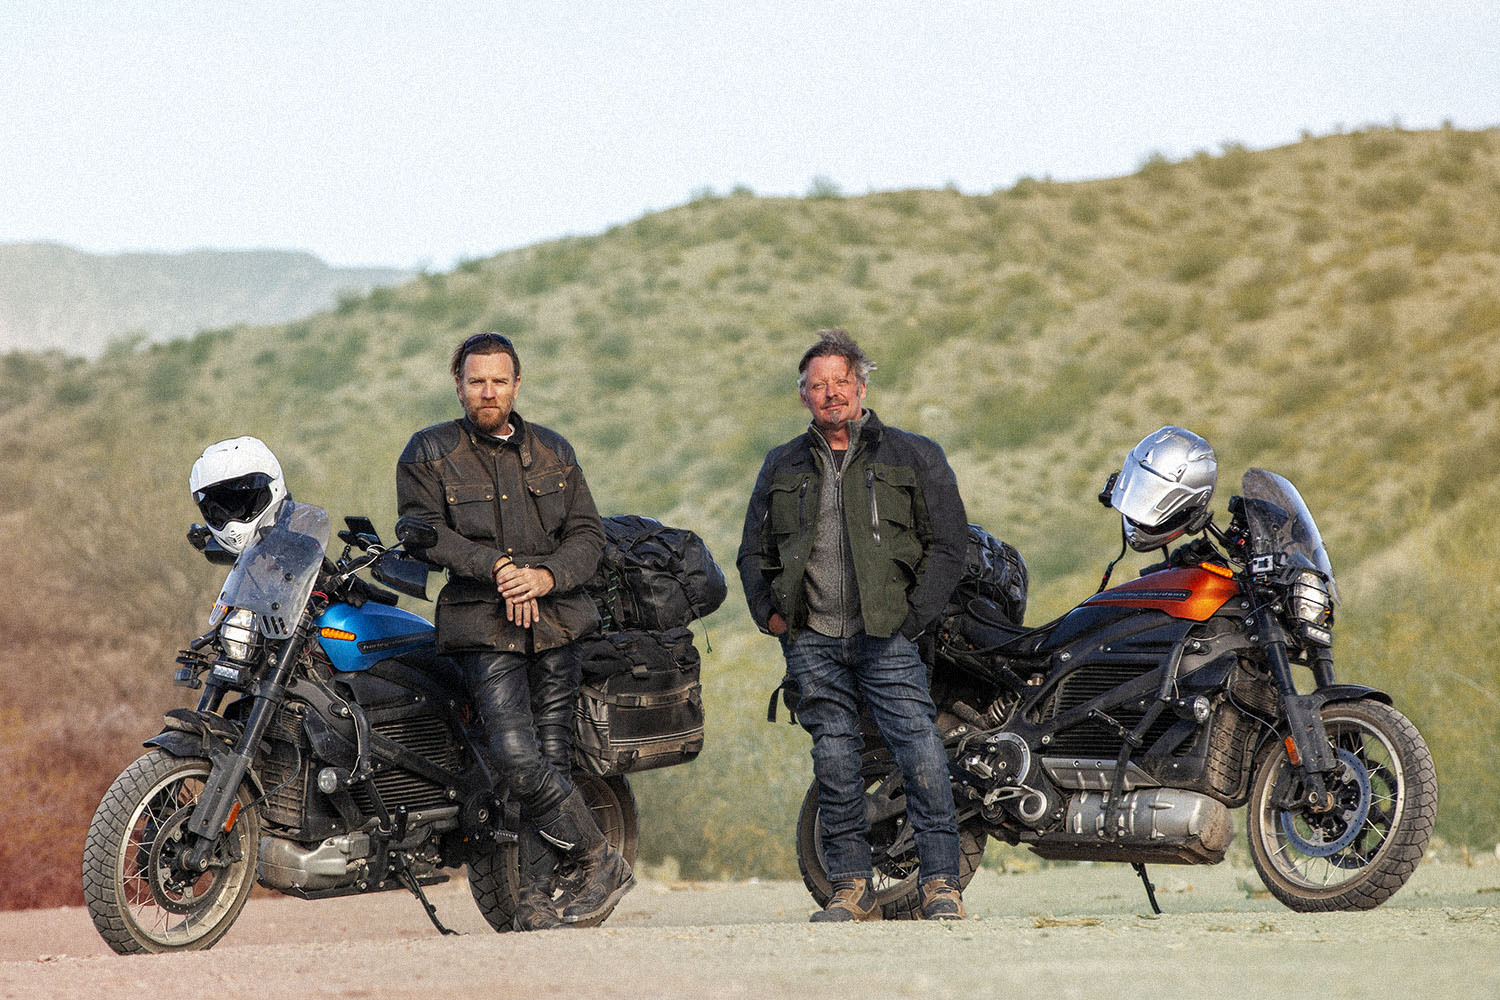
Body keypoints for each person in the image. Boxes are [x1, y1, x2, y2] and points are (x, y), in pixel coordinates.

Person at [396, 331, 632, 931]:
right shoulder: (429, 452)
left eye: (499, 380)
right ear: (459, 386)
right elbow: (419, 530)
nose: (488, 391)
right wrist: (498, 568)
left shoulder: (555, 452)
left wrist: (544, 578)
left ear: (517, 384)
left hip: (557, 626)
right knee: (514, 755)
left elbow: (588, 536)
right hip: (483, 628)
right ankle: (599, 858)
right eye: (476, 381)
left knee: (550, 757)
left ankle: (533, 899)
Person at [737, 328, 970, 921]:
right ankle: (850, 886)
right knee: (836, 759)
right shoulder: (781, 463)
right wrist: (771, 615)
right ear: (803, 397)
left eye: (841, 381)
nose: (831, 393)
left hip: (888, 635)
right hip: (811, 638)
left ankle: (941, 882)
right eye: (818, 385)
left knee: (918, 749)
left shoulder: (914, 454)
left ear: (862, 386)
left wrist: (913, 619)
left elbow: (950, 545)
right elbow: (752, 551)